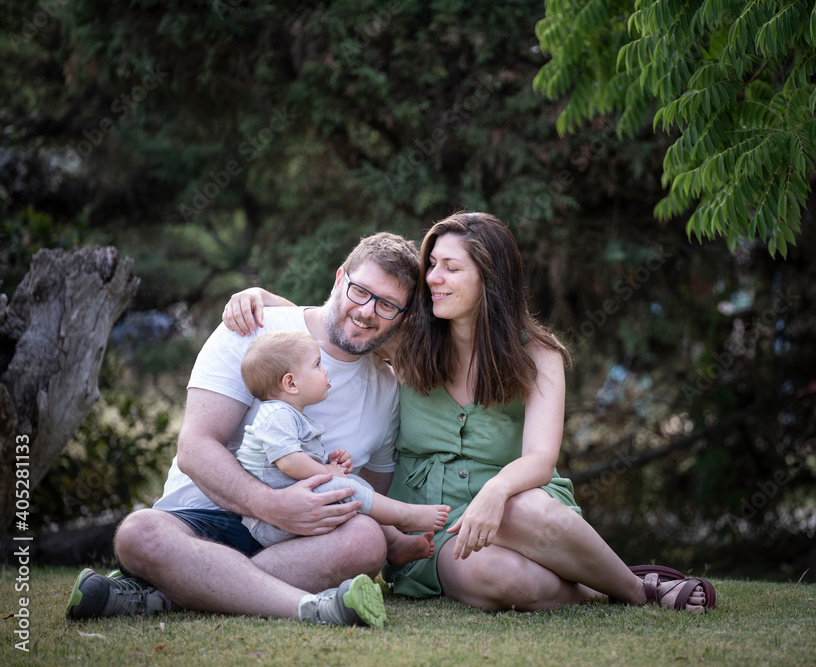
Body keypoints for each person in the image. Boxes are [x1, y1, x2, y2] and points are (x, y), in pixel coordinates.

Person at [224, 213, 717, 613]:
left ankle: (637, 591)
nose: (432, 278)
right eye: (432, 264)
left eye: (451, 268)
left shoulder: (538, 355)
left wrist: (497, 490)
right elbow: (342, 323)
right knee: (500, 577)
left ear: (490, 278)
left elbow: (541, 459)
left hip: (519, 504)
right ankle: (593, 587)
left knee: (520, 508)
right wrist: (263, 301)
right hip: (431, 524)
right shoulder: (410, 341)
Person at [66, 232, 429, 628]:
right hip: (201, 518)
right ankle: (307, 606)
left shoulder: (387, 390)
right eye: (360, 291)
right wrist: (272, 506)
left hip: (299, 544)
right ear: (339, 278)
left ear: (404, 315)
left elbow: (370, 496)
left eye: (388, 304)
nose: (367, 311)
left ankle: (167, 592)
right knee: (139, 533)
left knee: (366, 540)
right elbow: (195, 448)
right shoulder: (255, 328)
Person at [235, 329, 450, 548]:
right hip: (272, 521)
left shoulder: (290, 415)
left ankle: (394, 542)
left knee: (356, 484)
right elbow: (290, 462)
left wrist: (329, 464)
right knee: (345, 488)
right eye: (317, 365)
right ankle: (405, 516)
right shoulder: (276, 415)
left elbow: (293, 464)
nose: (325, 370)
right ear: (291, 384)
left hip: (294, 505)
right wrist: (328, 473)